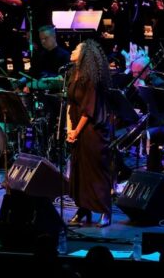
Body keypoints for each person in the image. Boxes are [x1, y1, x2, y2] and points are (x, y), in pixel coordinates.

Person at [66, 39, 112, 227]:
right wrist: (69, 129)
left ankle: (104, 210)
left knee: (95, 172)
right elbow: (70, 103)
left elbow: (88, 110)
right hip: (76, 128)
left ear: (85, 54)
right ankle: (83, 208)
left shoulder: (91, 78)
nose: (72, 51)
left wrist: (76, 131)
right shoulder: (72, 73)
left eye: (76, 49)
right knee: (79, 171)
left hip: (92, 130)